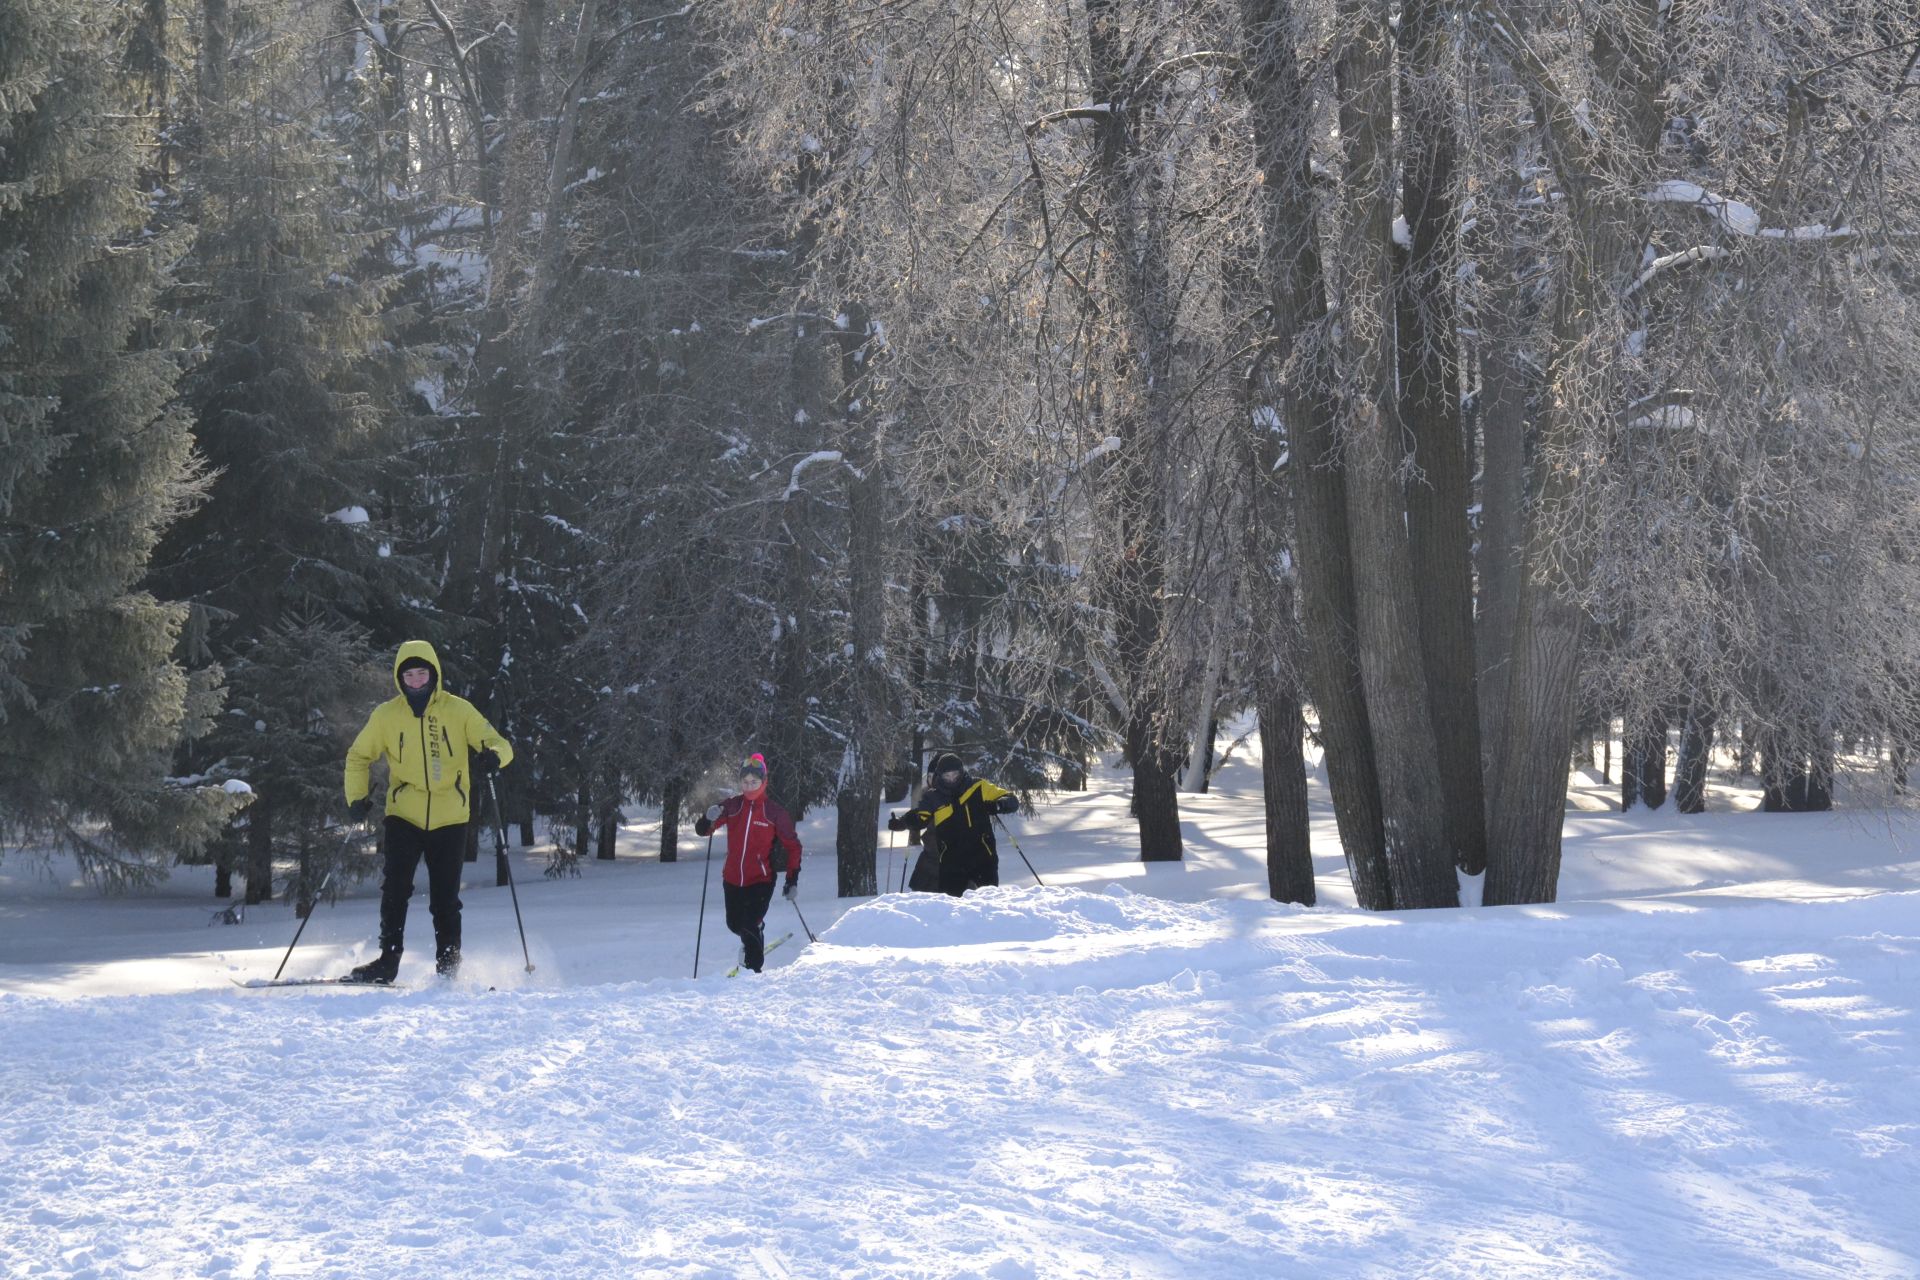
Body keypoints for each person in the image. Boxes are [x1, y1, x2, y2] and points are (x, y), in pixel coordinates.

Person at [342, 640, 514, 983]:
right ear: (400, 677)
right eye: (410, 674)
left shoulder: (458, 710)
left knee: (445, 899)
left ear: (434, 674)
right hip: (404, 814)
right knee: (395, 890)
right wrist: (356, 798)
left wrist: (494, 757)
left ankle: (448, 969)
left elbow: (500, 744)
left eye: (423, 673)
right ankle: (387, 963)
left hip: (450, 817)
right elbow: (359, 756)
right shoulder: (387, 715)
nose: (417, 680)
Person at [694, 753, 802, 974]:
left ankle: (753, 973)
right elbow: (703, 831)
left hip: (760, 880)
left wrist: (792, 880)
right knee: (735, 924)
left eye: (754, 782)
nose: (749, 786)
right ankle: (756, 934)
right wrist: (708, 817)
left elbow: (793, 847)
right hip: (732, 878)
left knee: (749, 925)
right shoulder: (733, 806)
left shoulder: (774, 813)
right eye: (745, 782)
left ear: (764, 782)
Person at [888, 751, 1019, 896]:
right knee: (953, 908)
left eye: (955, 775)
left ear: (962, 772)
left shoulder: (978, 787)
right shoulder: (933, 797)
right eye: (947, 776)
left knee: (988, 901)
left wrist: (999, 805)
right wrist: (902, 822)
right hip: (951, 862)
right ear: (939, 775)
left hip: (983, 857)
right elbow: (920, 816)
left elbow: (1011, 800)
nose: (951, 780)